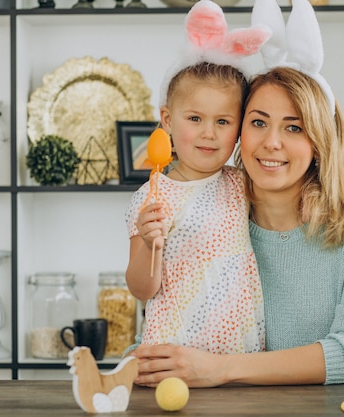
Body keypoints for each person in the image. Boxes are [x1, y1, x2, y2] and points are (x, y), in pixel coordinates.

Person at [128, 0, 344, 387]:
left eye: (294, 128)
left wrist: (218, 369)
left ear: (319, 140)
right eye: (258, 122)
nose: (271, 142)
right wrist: (152, 361)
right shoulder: (220, 212)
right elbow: (169, 322)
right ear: (239, 130)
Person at [125, 0, 271, 355]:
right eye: (195, 119)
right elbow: (142, 289)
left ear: (238, 129)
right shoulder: (152, 198)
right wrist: (148, 243)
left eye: (222, 121)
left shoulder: (242, 183)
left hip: (241, 358)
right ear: (167, 119)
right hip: (174, 355)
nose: (209, 133)